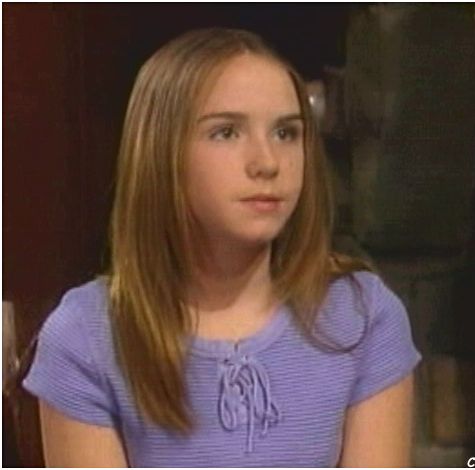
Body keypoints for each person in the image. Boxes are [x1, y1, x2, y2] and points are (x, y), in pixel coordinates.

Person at [22, 28, 421, 467]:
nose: (267, 162)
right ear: (161, 152)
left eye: (286, 133)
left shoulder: (362, 316)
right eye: (227, 132)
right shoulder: (86, 336)